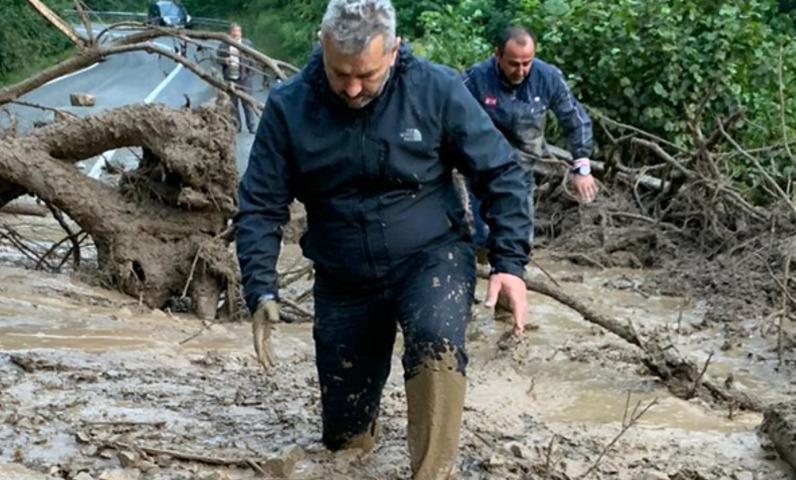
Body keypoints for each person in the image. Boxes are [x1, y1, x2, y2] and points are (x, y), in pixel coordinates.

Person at [235, 1, 532, 477]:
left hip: (431, 257)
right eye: (340, 73)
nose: (352, 88)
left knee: (436, 339)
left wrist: (510, 265)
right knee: (345, 441)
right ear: (321, 45)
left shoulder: (436, 90)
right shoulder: (290, 105)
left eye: (367, 76)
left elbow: (501, 173)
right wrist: (261, 287)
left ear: (393, 52)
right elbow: (260, 203)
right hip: (344, 276)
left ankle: (431, 472)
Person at [464, 25, 597, 248]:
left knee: (519, 242)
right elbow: (447, 116)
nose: (521, 71)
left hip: (522, 168)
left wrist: (582, 167)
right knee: (484, 240)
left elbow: (575, 119)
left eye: (527, 63)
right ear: (497, 55)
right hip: (482, 170)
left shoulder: (548, 78)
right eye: (513, 64)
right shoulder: (476, 79)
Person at [217, 23, 256, 133]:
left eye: (237, 31)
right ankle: (237, 126)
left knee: (247, 104)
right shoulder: (224, 45)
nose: (235, 34)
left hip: (244, 79)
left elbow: (253, 59)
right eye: (233, 31)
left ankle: (251, 126)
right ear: (230, 33)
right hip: (230, 79)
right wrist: (225, 61)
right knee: (233, 105)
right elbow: (217, 59)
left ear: (241, 33)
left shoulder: (247, 44)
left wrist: (250, 73)